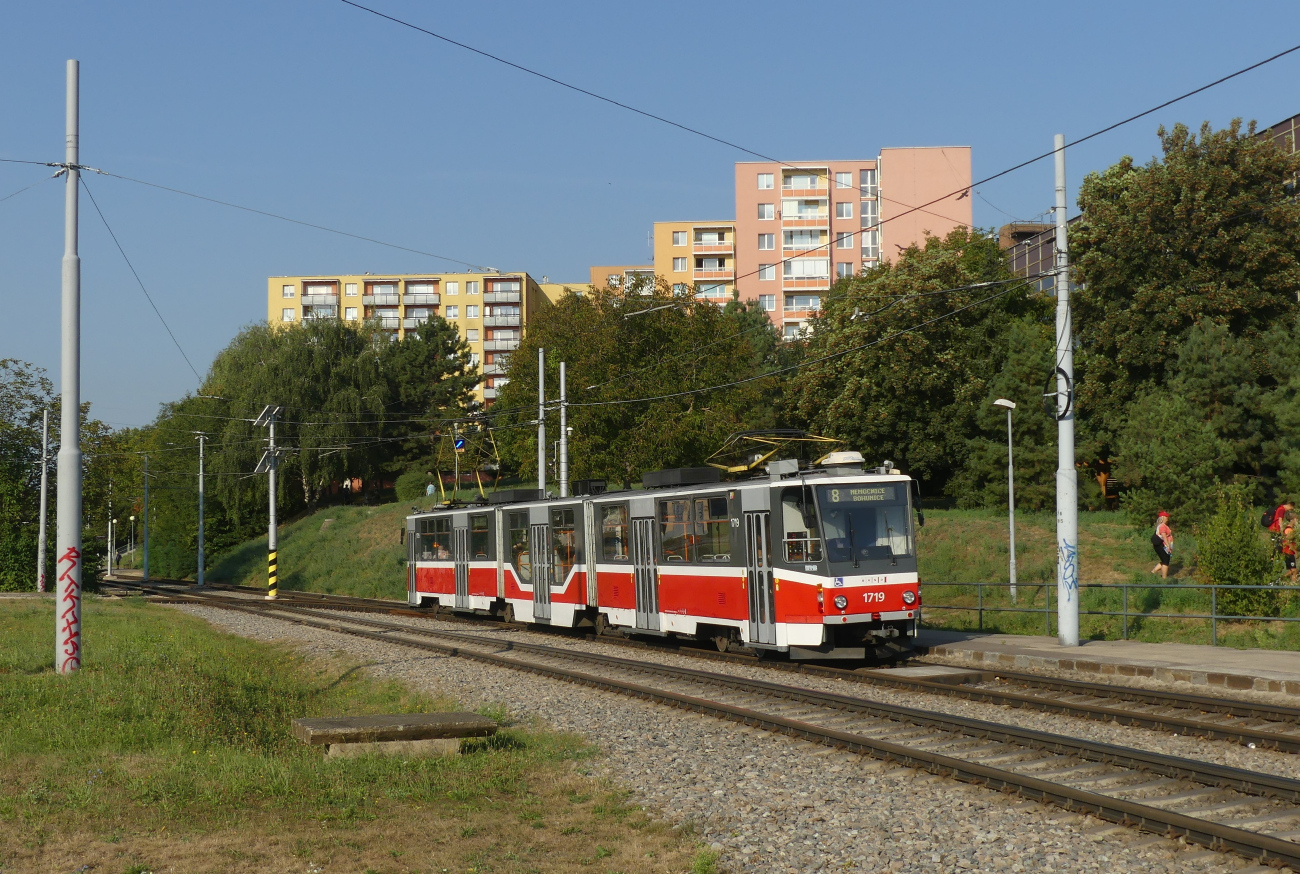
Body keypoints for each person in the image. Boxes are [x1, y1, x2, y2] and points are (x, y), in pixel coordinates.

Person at [1151, 511, 1173, 578]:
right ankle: (1164, 578)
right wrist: (1168, 545)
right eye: (1166, 517)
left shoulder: (1162, 525)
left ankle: (1153, 572)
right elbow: (1164, 536)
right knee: (1166, 562)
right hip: (1163, 546)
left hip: (1163, 545)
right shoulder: (1162, 526)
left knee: (1165, 560)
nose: (1167, 518)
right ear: (1163, 518)